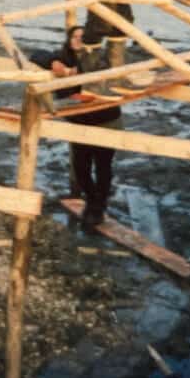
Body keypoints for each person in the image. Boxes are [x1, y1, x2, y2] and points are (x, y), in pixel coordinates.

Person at [31, 25, 120, 231]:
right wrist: (53, 62)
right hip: (79, 123)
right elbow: (36, 54)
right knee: (81, 168)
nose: (79, 40)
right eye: (75, 37)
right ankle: (92, 200)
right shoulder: (65, 56)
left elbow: (99, 76)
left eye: (83, 37)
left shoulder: (98, 58)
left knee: (103, 166)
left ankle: (97, 207)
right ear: (69, 40)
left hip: (105, 121)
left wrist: (72, 74)